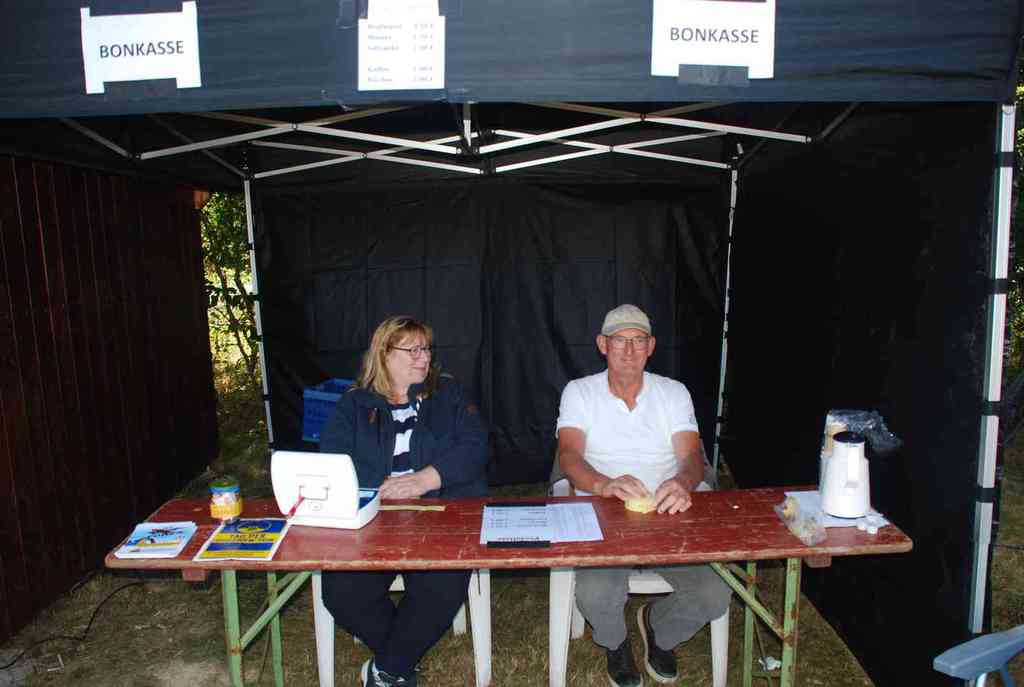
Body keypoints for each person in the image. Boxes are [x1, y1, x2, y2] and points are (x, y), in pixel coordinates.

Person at [556, 304, 731, 687]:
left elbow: (691, 458)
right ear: (602, 344)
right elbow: (568, 455)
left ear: (651, 346)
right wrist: (603, 484)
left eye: (638, 340)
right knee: (595, 592)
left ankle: (659, 627)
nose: (629, 350)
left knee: (714, 593)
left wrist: (682, 483)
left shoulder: (673, 392)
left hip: (666, 513)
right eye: (620, 340)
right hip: (602, 514)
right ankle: (615, 642)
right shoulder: (579, 392)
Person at [319, 315, 488, 687]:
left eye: (426, 349)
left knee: (442, 585)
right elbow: (333, 457)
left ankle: (385, 671)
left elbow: (475, 446)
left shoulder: (448, 394)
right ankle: (399, 661)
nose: (424, 357)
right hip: (372, 520)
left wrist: (425, 479)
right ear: (384, 353)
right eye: (412, 350)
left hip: (440, 517)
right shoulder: (354, 404)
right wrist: (381, 486)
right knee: (342, 591)